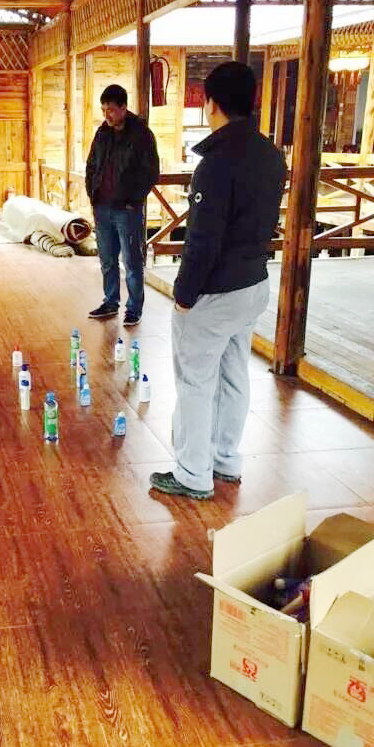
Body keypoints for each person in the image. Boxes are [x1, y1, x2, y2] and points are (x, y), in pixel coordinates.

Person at [149, 62, 287, 500]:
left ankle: (192, 474)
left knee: (195, 381)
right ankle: (225, 460)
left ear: (211, 103)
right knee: (233, 374)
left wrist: (184, 295)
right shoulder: (270, 155)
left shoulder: (216, 163)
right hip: (254, 283)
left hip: (216, 291)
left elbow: (203, 240)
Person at [85, 84, 159, 328]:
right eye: (103, 110)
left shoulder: (141, 135)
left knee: (131, 261)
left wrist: (132, 201)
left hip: (126, 209)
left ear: (124, 108)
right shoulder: (102, 133)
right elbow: (91, 165)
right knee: (107, 259)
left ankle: (134, 308)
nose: (106, 115)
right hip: (102, 206)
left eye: (111, 110)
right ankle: (110, 301)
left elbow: (151, 172)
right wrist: (92, 194)